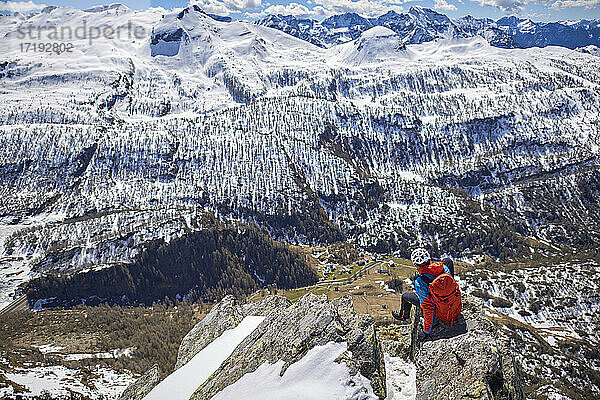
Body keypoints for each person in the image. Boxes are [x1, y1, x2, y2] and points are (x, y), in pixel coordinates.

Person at [392, 248, 457, 335]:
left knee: (405, 296)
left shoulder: (420, 281)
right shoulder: (444, 267)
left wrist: (426, 331)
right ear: (429, 259)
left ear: (416, 265)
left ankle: (403, 316)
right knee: (447, 261)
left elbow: (428, 308)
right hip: (452, 297)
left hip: (438, 305)